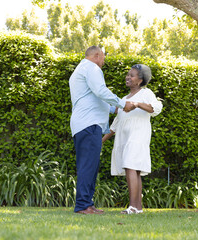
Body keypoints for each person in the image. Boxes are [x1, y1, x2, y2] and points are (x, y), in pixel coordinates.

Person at [69, 46, 135, 214]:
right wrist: (122, 103)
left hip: (85, 124)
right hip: (88, 124)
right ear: (97, 55)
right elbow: (100, 91)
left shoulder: (81, 70)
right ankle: (83, 205)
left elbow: (94, 98)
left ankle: (87, 204)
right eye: (103, 58)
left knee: (90, 165)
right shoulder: (91, 68)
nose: (104, 62)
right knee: (87, 165)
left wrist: (116, 109)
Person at [102, 64, 163, 214]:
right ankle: (138, 208)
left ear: (140, 80)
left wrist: (136, 104)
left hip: (138, 136)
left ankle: (133, 207)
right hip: (124, 138)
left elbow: (155, 108)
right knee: (134, 170)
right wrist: (100, 141)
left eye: (132, 75)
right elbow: (115, 125)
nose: (128, 77)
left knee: (130, 166)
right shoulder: (123, 99)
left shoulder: (146, 93)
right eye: (128, 74)